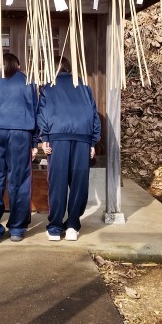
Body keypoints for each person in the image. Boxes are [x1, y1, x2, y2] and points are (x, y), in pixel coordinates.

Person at [0, 52, 38, 242]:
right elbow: (35, 111)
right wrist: (34, 142)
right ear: (18, 65)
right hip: (21, 134)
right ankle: (17, 229)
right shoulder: (28, 81)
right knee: (19, 180)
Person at [37, 57, 101, 241]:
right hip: (82, 138)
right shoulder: (83, 86)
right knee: (79, 184)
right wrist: (92, 142)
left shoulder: (48, 88)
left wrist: (46, 138)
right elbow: (93, 115)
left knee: (57, 183)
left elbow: (42, 114)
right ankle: (73, 225)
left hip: (58, 138)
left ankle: (55, 228)